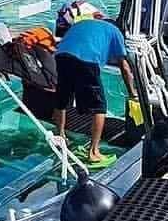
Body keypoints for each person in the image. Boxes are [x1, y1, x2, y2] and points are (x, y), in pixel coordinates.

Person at [54, 17, 136, 168]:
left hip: (62, 55)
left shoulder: (85, 22)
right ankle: (94, 152)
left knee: (62, 98)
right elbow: (125, 68)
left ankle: (60, 138)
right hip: (87, 58)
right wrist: (132, 93)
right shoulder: (116, 32)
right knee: (100, 107)